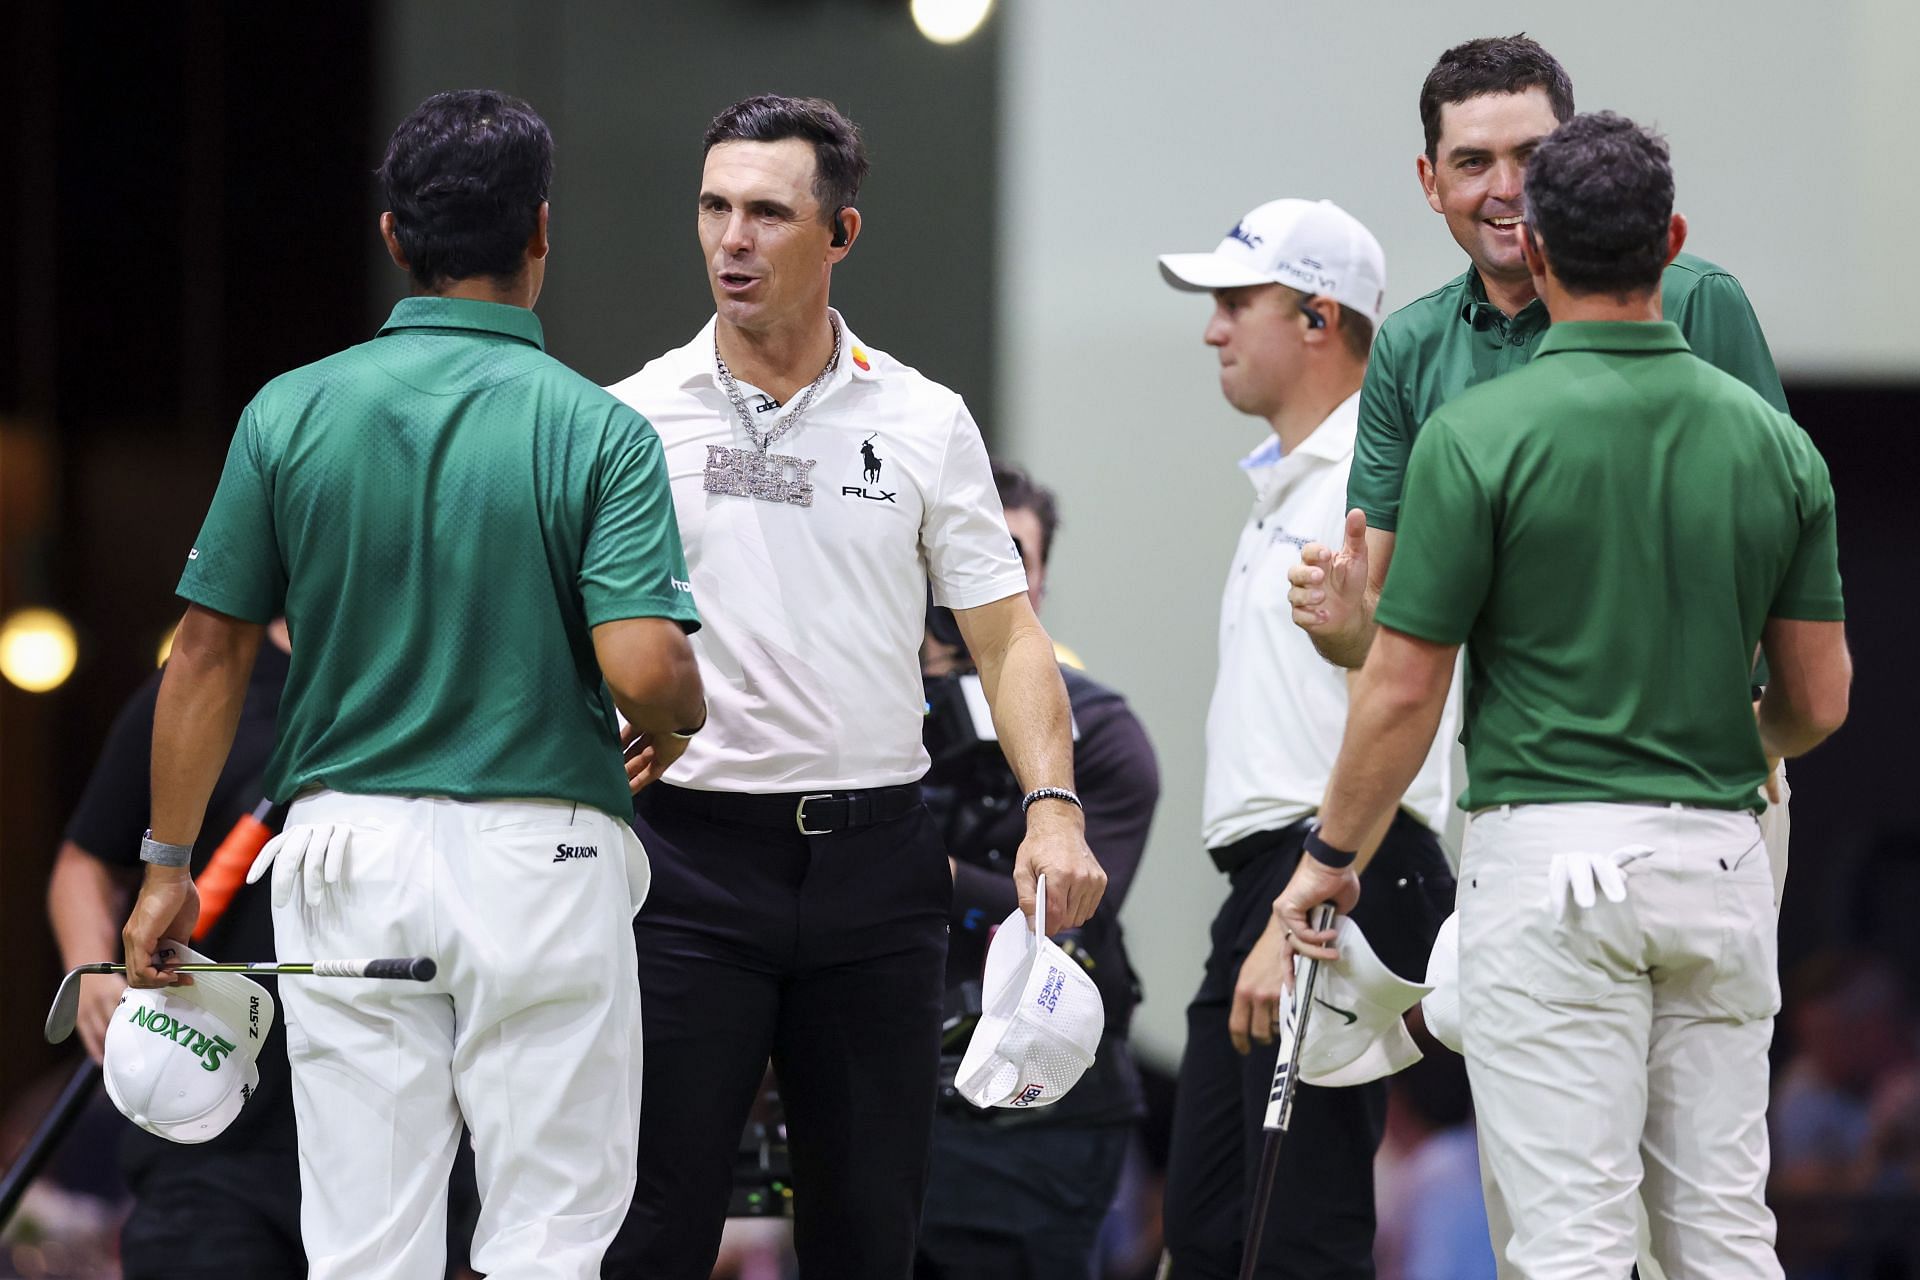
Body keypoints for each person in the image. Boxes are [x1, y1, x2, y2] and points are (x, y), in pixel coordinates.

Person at [118, 89, 706, 1280]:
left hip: (347, 857)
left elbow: (209, 655)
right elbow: (646, 667)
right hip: (546, 859)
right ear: (540, 233)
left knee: (365, 1245)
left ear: (394, 237)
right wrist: (675, 722)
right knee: (547, 1236)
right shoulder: (599, 429)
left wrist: (168, 866)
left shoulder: (289, 410)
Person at [1273, 111, 1850, 1278]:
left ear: (1533, 251)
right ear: (1672, 240)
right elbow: (1818, 701)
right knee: (1727, 1235)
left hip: (1553, 869)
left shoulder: (1478, 434)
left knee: (1573, 1242)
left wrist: (1332, 854)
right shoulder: (1778, 447)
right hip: (1723, 862)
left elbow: (1402, 690)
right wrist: (1736, 735)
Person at [601, 94, 1105, 1278]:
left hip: (876, 866)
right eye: (716, 206)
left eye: (769, 212)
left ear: (841, 234)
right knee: (654, 1224)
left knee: (869, 1233)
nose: (733, 237)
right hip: (683, 864)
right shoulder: (628, 416)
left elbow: (1010, 636)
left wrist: (1054, 803)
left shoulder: (927, 421)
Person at [1286, 33, 1794, 895]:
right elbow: (1386, 637)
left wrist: (1759, 727)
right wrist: (1341, 622)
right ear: (1430, 180)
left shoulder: (1698, 299)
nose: (1506, 188)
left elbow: (1784, 536)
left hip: (1714, 776)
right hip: (1526, 790)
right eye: (1474, 161)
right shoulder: (1411, 347)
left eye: (1530, 155)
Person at [1153, 199, 1457, 1278]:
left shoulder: (1371, 484)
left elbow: (1405, 702)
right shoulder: (1293, 480)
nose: (1213, 328)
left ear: (1321, 317)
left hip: (1339, 864)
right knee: (1208, 1231)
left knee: (1295, 1233)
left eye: (1237, 302)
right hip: (1284, 873)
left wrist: (1315, 890)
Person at [917, 460, 1157, 1279]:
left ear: (1040, 584)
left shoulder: (1101, 733)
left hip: (1041, 1117)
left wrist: (909, 865)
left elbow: (1070, 903)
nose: (980, 577)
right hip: (883, 1095)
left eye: (1012, 557)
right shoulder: (862, 731)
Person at [47, 623, 302, 1277]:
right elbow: (85, 862)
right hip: (205, 1140)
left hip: (389, 1139)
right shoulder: (205, 684)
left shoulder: (422, 682)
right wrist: (94, 974)